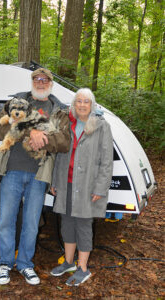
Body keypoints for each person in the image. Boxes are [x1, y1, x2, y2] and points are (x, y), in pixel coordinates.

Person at [0, 68, 70, 285]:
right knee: (6, 220)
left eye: (45, 79)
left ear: (51, 84)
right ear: (31, 81)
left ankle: (25, 264)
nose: (40, 82)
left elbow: (64, 142)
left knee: (31, 224)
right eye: (36, 79)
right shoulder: (14, 103)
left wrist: (41, 139)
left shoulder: (59, 110)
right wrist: (31, 132)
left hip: (39, 174)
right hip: (12, 171)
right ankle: (6, 264)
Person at [50, 88, 113, 286]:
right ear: (74, 105)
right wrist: (55, 181)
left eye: (86, 101)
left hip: (88, 185)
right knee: (67, 223)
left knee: (83, 225)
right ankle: (68, 262)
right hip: (66, 182)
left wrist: (100, 188)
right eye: (79, 101)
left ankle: (83, 268)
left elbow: (107, 161)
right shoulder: (67, 123)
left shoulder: (101, 125)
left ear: (91, 105)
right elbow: (59, 155)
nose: (83, 105)